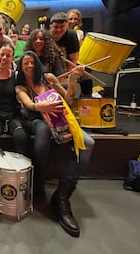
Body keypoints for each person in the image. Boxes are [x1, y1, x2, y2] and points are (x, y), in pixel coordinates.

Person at [15, 51, 95, 238]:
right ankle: (39, 180)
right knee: (42, 133)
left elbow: (68, 99)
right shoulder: (20, 87)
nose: (29, 66)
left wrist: (73, 79)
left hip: (62, 119)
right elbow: (28, 105)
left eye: (32, 62)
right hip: (38, 120)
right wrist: (40, 107)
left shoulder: (49, 79)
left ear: (37, 64)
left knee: (89, 143)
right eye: (25, 63)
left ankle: (62, 195)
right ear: (20, 67)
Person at [0, 44, 28, 159]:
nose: (4, 58)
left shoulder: (17, 76)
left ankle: (19, 171)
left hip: (13, 116)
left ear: (12, 59)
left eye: (8, 56)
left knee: (21, 136)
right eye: (2, 54)